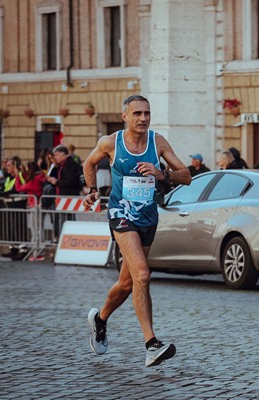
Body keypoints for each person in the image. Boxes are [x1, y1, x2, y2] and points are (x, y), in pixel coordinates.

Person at [82, 95, 191, 367]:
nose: (143, 118)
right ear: (125, 117)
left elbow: (186, 175)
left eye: (147, 113)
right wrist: (92, 191)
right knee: (142, 274)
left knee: (128, 283)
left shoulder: (158, 142)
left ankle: (101, 319)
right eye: (138, 113)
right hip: (121, 214)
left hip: (147, 217)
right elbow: (88, 163)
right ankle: (151, 344)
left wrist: (160, 173)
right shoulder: (111, 142)